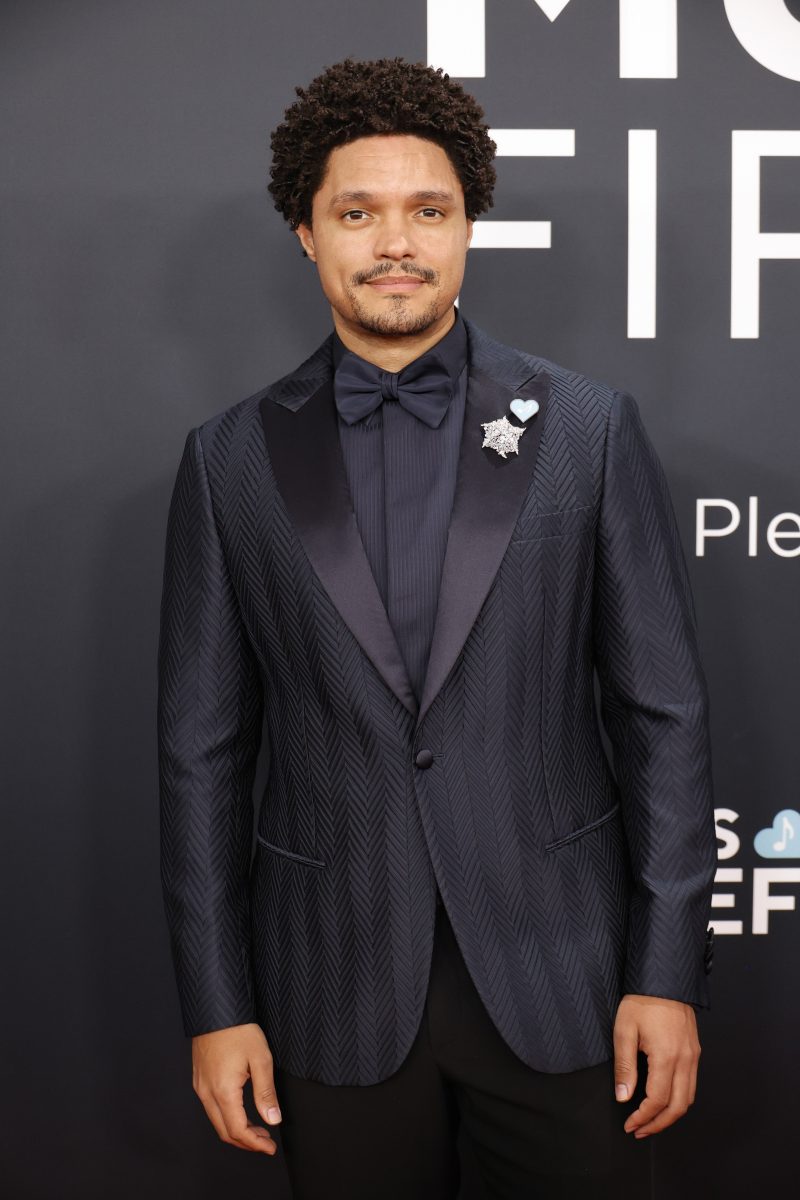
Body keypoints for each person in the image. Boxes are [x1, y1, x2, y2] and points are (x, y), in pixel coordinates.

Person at [157, 57, 717, 1199]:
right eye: (357, 213)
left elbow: (661, 716)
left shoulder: (587, 431)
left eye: (428, 210)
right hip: (330, 987)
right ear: (307, 234)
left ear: (468, 226)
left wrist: (664, 974)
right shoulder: (228, 460)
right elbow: (200, 756)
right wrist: (218, 1007)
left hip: (566, 987)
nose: (396, 243)